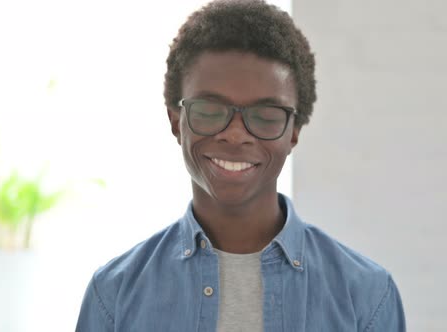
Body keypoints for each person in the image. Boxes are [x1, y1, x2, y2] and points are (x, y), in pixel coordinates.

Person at [76, 0, 406, 331]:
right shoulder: (113, 294)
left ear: (294, 132)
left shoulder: (367, 296)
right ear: (176, 122)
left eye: (265, 116)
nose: (235, 135)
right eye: (209, 109)